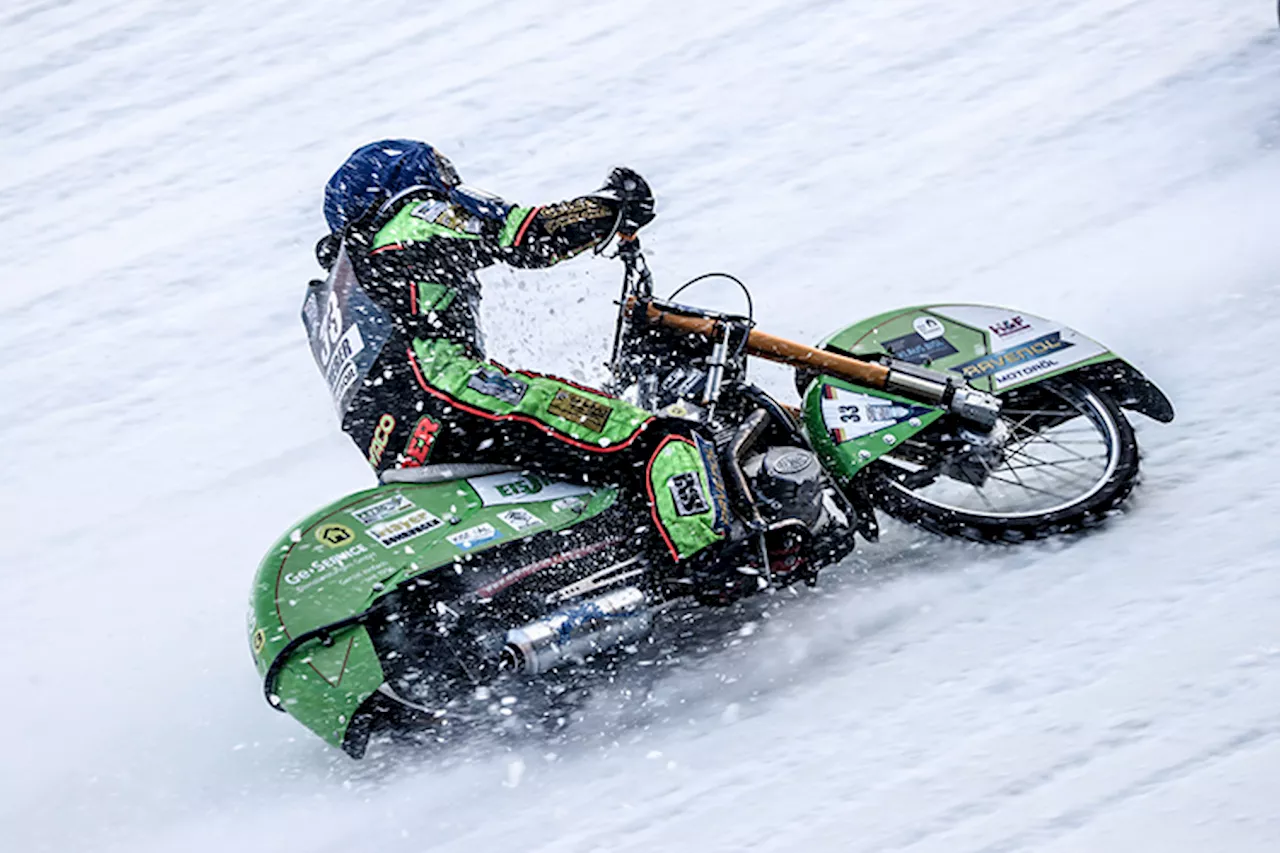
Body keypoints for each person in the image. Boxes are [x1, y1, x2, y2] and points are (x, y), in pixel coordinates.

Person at [303, 140, 742, 580]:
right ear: (403, 178)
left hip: (406, 449)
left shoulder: (341, 292)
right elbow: (527, 235)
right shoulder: (408, 219)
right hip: (457, 394)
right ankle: (712, 560)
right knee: (655, 435)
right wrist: (613, 205)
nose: (448, 181)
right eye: (439, 169)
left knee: (600, 458)